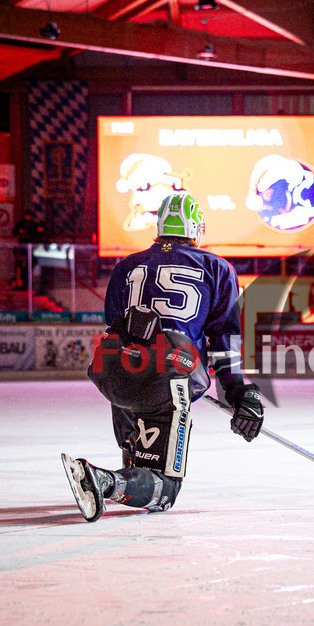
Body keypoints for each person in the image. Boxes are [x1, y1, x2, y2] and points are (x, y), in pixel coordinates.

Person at [63, 192, 262, 521]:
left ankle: (130, 470)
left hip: (113, 366)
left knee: (138, 454)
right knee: (164, 489)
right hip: (167, 372)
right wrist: (237, 389)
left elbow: (115, 320)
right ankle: (102, 481)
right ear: (197, 229)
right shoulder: (217, 268)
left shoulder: (126, 266)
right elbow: (224, 337)